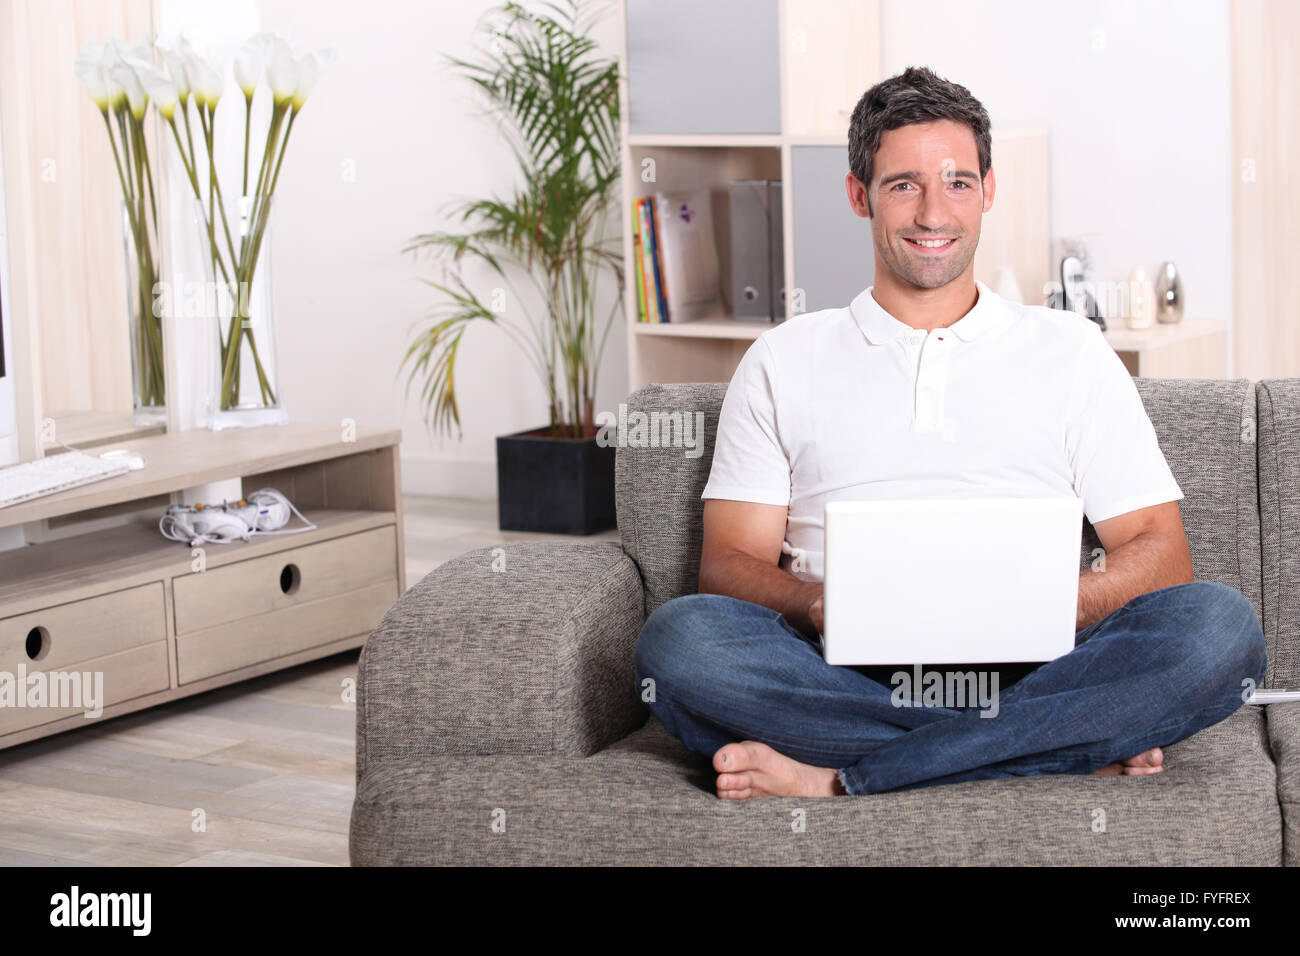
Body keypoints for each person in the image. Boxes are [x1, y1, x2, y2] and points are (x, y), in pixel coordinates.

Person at [633, 66, 1267, 799]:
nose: (934, 212)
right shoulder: (783, 358)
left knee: (1219, 628)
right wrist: (816, 602)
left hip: (1047, 664)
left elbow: (1162, 552)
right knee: (679, 642)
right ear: (858, 193)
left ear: (988, 192)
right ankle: (1054, 745)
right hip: (839, 666)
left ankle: (846, 778)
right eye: (904, 184)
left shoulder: (1071, 349)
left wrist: (1062, 600)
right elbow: (728, 565)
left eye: (958, 182)